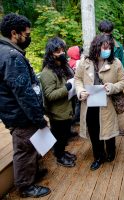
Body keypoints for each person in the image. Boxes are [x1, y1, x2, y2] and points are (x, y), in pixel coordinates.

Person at [0, 13, 51, 198]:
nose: (28, 37)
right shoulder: (11, 56)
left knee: (30, 147)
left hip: (16, 112)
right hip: (21, 115)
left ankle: (33, 173)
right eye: (27, 34)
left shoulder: (5, 52)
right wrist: (38, 118)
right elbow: (24, 92)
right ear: (15, 33)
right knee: (24, 150)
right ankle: (25, 186)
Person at [74, 34, 124, 171]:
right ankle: (98, 156)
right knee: (94, 131)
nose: (107, 50)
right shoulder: (84, 62)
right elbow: (77, 79)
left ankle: (111, 150)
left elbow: (123, 81)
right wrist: (80, 91)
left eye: (109, 47)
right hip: (89, 103)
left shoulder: (115, 63)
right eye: (104, 47)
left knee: (108, 129)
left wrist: (112, 87)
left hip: (107, 103)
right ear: (96, 47)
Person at [39, 37, 77, 168]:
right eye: (57, 51)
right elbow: (49, 95)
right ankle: (59, 156)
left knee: (65, 134)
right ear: (50, 54)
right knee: (59, 136)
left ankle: (63, 152)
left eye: (62, 50)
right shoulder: (47, 73)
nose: (61, 53)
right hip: (57, 112)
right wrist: (66, 88)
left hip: (66, 108)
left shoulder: (61, 66)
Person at [98, 20, 124, 136]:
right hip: (99, 80)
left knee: (114, 105)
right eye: (104, 32)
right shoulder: (96, 42)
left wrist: (118, 82)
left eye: (108, 32)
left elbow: (122, 65)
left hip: (113, 80)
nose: (106, 34)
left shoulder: (118, 45)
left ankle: (115, 128)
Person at [67, 45, 82, 127]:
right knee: (78, 103)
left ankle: (73, 118)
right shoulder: (78, 62)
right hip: (76, 85)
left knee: (73, 103)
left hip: (70, 86)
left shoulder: (69, 61)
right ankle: (76, 118)